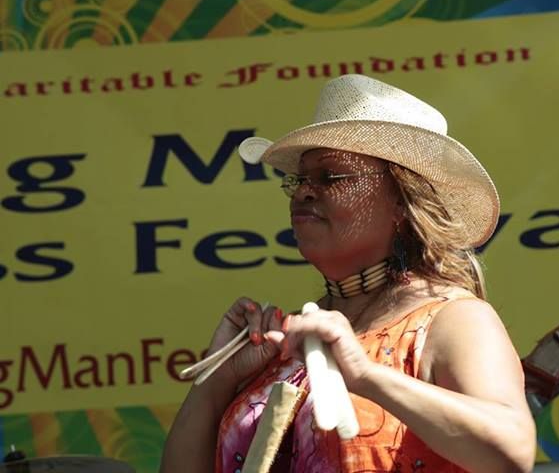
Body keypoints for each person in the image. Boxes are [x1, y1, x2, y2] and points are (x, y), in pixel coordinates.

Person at [160, 74, 536, 472]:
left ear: (402, 202)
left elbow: (512, 450)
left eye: (331, 177)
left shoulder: (453, 319)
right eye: (300, 179)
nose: (303, 191)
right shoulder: (288, 338)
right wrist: (217, 380)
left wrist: (366, 375)